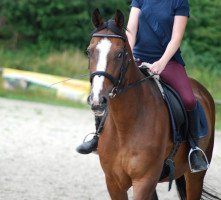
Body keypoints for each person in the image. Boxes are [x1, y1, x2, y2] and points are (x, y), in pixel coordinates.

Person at [76, 0, 209, 172]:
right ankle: (97, 136)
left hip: (167, 61)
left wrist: (161, 63)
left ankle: (193, 149)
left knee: (189, 100)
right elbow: (131, 31)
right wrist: (128, 59)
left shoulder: (179, 2)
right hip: (137, 57)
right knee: (108, 89)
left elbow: (176, 38)